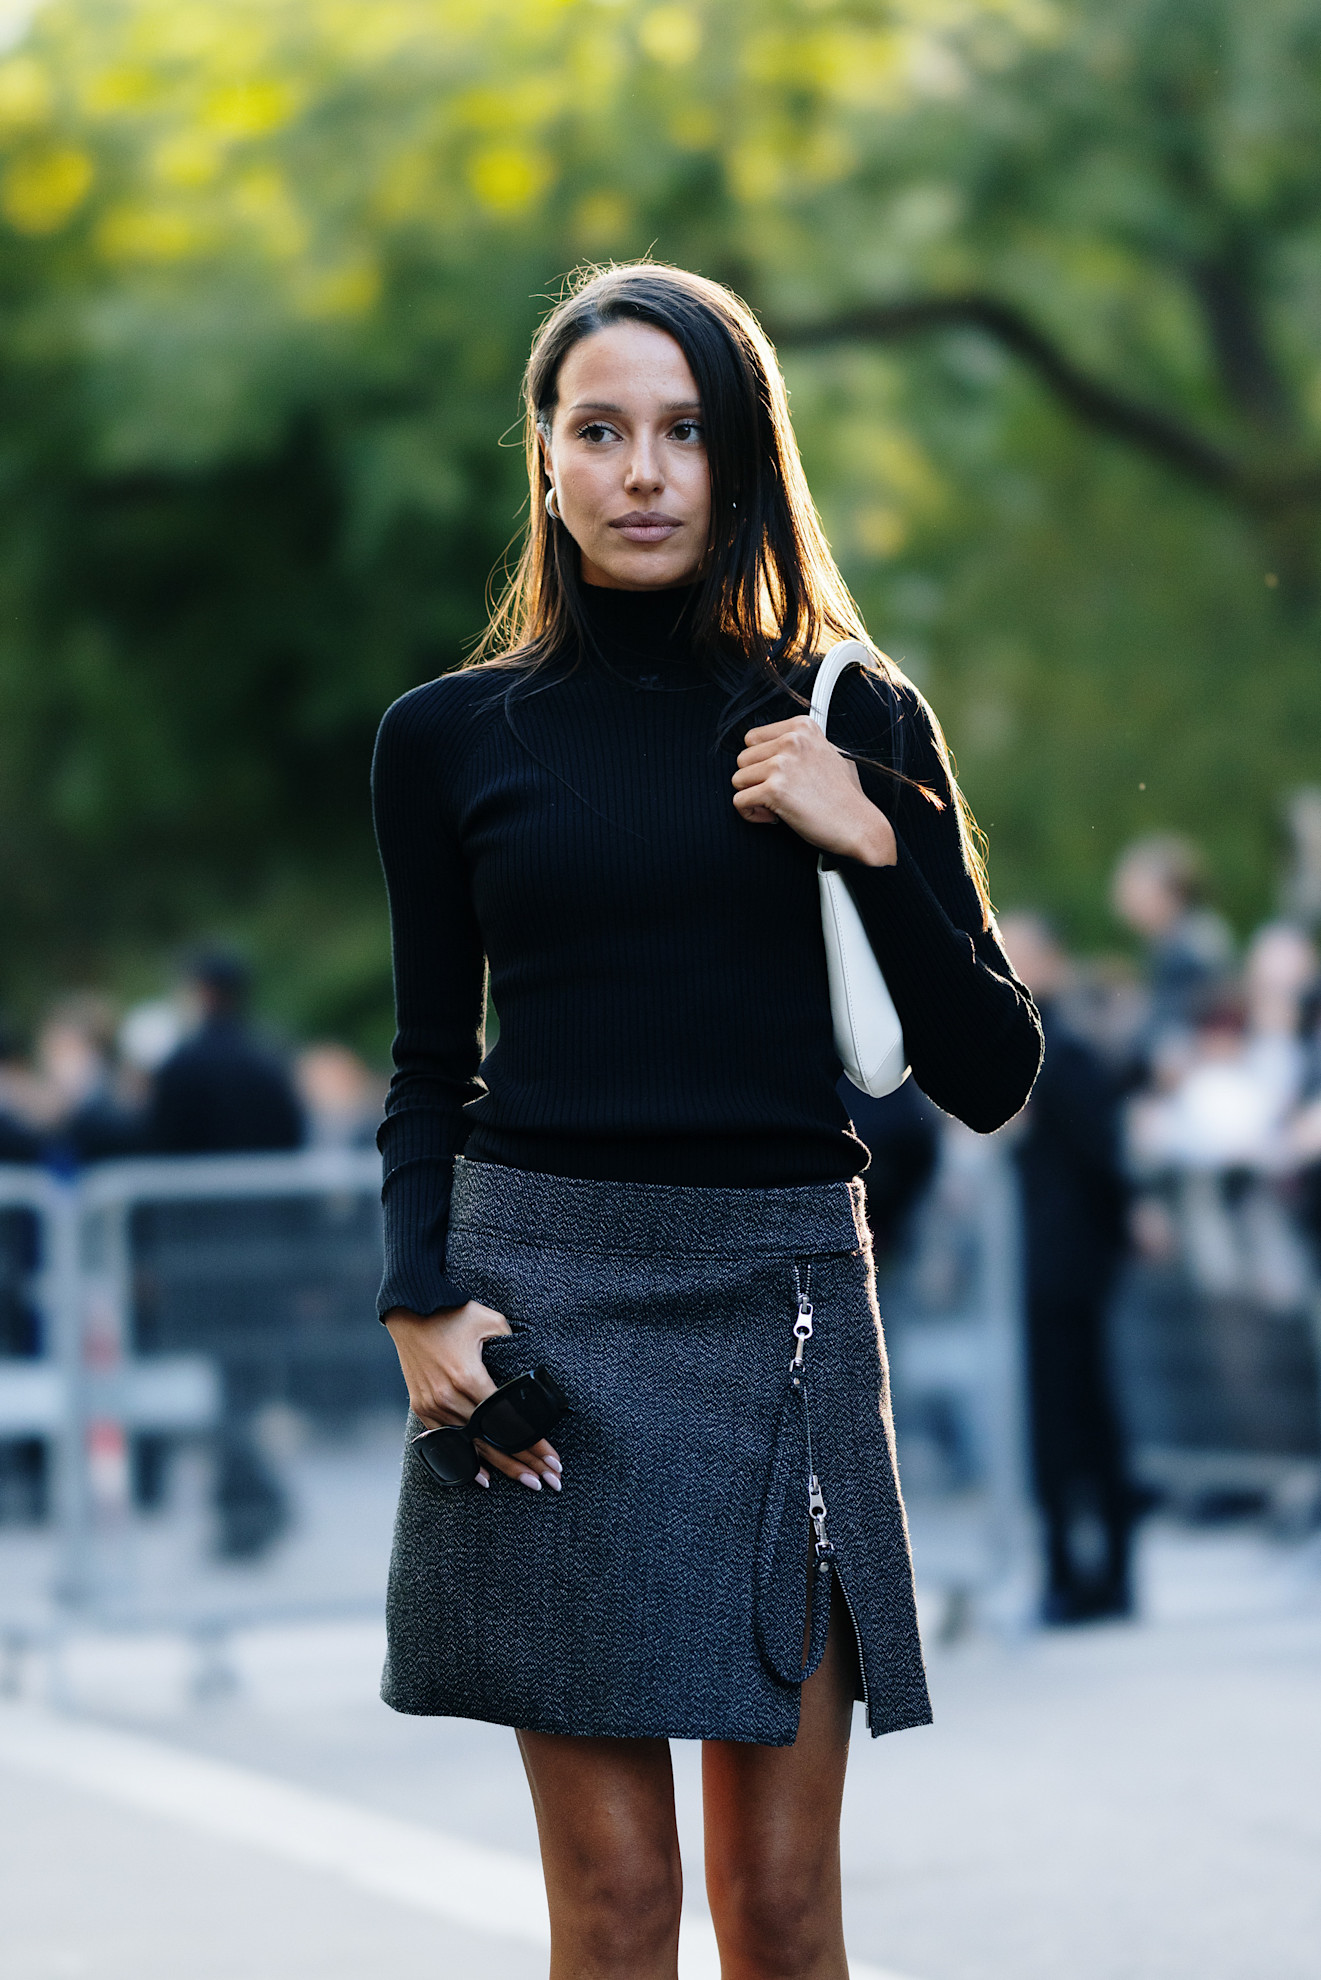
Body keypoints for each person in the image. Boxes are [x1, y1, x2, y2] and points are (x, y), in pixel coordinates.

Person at [373, 263, 1042, 1980]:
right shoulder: (445, 739)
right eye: (600, 431)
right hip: (545, 1321)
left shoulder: (844, 711)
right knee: (610, 1912)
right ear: (545, 461)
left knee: (783, 1910)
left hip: (781, 1311)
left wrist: (869, 841)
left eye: (684, 433)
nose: (644, 471)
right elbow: (427, 1060)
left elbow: (987, 1072)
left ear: (742, 465)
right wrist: (418, 1297)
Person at [1000, 913, 1133, 1624]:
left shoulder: (1054, 1051)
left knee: (1073, 1419)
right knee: (1068, 1419)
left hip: (1062, 1263)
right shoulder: (1048, 1048)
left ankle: (1092, 1572)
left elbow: (1099, 1158)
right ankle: (1081, 1569)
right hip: (1052, 1258)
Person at [144, 951, 304, 1156]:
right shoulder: (274, 1056)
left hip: (194, 1185)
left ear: (204, 991)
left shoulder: (182, 1064)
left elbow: (163, 1143)